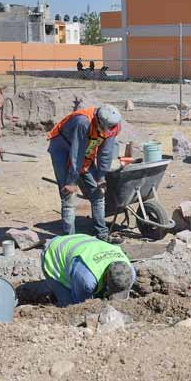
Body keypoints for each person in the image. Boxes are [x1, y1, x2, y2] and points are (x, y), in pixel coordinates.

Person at [47, 105, 121, 241]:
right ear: (98, 122)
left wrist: (101, 176)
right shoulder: (83, 122)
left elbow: (106, 152)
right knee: (68, 195)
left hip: (84, 151)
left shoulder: (113, 125)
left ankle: (102, 234)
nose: (107, 132)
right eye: (105, 129)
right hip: (62, 149)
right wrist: (72, 181)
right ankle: (70, 240)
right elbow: (76, 153)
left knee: (98, 193)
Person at [41, 234, 135, 307]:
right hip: (54, 252)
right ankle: (55, 297)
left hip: (82, 242)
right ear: (106, 277)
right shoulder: (87, 281)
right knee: (70, 306)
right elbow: (81, 306)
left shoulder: (130, 272)